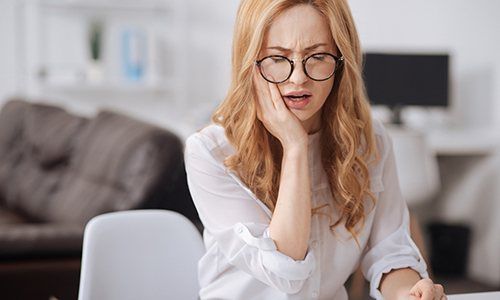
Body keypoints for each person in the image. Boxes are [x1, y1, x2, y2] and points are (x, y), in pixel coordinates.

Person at [184, 0, 447, 299]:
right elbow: (286, 270)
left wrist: (408, 294)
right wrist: (295, 146)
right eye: (277, 58)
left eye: (317, 56)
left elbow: (390, 253)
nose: (298, 78)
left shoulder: (368, 139)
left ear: (340, 61)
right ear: (251, 63)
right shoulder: (211, 152)